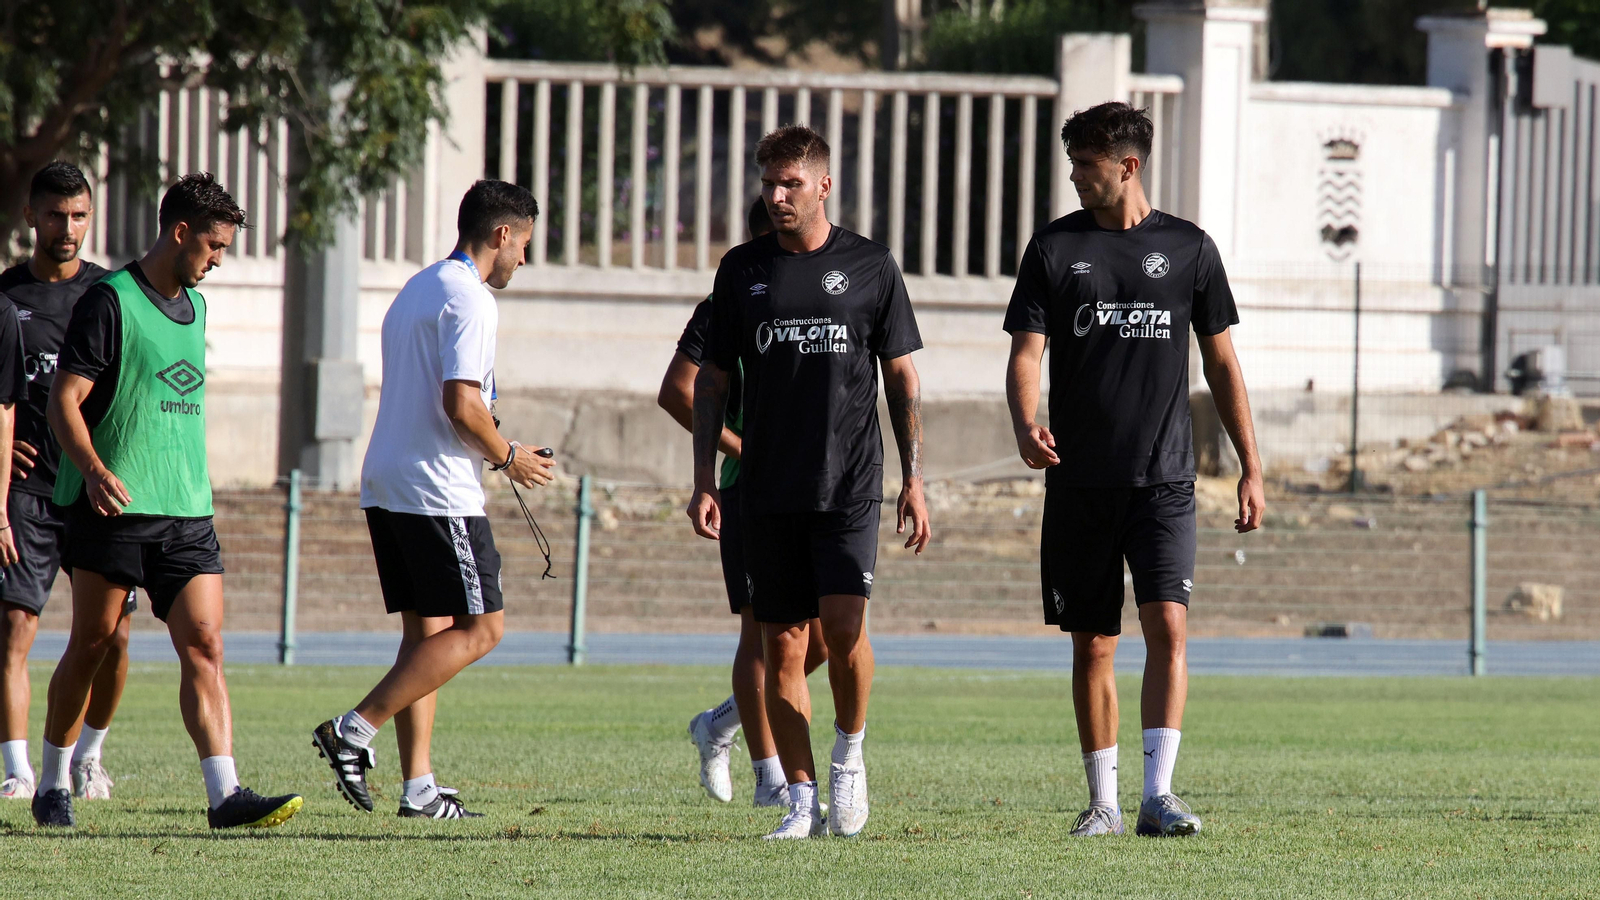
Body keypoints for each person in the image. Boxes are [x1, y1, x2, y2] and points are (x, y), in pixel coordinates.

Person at [1003, 102, 1264, 838]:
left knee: (1169, 628)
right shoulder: (1054, 250)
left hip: (1166, 480)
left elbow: (1221, 362)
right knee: (1094, 642)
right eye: (1074, 164)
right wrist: (1026, 423)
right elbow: (1027, 355)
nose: (1077, 177)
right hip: (1081, 481)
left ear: (1129, 165)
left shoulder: (1190, 249)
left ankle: (1158, 795)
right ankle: (1104, 804)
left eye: (1087, 164)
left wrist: (1252, 466)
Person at [33, 172, 301, 829]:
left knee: (205, 643)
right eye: (212, 245)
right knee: (94, 642)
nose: (217, 259)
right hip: (114, 509)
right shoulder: (110, 301)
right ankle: (50, 782)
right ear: (179, 231)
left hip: (187, 512)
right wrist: (93, 470)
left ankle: (225, 795)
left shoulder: (199, 307)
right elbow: (63, 401)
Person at [689, 126, 931, 840]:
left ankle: (849, 756)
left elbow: (902, 378)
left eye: (791, 183)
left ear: (824, 184)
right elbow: (710, 382)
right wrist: (705, 478)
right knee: (782, 646)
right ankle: (800, 800)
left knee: (846, 631)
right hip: (764, 488)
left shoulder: (871, 266)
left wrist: (915, 481)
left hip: (850, 484)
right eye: (769, 183)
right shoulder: (741, 271)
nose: (778, 195)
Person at [313, 179, 554, 820]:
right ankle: (353, 729)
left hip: (388, 480)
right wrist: (509, 457)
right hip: (436, 489)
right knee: (482, 629)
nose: (524, 260)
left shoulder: (420, 286)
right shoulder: (470, 299)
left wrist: (499, 442)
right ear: (502, 235)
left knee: (427, 636)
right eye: (524, 245)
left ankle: (418, 786)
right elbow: (462, 403)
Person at [660, 198, 829, 808]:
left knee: (826, 637)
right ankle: (770, 779)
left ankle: (722, 721)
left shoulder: (824, 289)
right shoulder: (730, 297)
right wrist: (742, 450)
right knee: (763, 633)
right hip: (750, 490)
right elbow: (678, 391)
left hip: (819, 488)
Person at [0, 162, 133, 804]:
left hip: (93, 493)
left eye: (79, 215)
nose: (69, 228)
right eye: (56, 214)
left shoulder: (110, 295)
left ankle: (90, 758)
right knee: (14, 625)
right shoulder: (5, 299)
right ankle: (17, 769)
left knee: (114, 635)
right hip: (27, 493)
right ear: (32, 216)